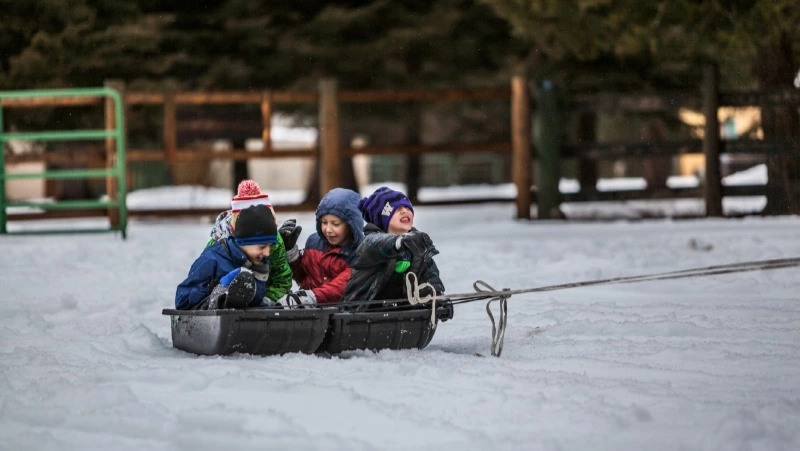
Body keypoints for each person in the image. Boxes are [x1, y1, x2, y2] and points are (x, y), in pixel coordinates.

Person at [341, 187, 451, 320]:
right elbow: (379, 243)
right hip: (359, 315)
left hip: (402, 313)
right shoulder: (370, 243)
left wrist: (438, 298)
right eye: (397, 209)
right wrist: (399, 242)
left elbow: (430, 274)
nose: (405, 210)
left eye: (407, 207)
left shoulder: (415, 244)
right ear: (382, 219)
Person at [176, 204, 279, 310]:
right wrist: (217, 289)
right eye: (262, 247)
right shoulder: (212, 259)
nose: (267, 253)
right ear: (243, 242)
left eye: (270, 247)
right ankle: (221, 299)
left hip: (243, 322)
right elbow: (183, 301)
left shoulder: (260, 263)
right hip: (209, 319)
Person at [207, 179, 292, 305]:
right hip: (226, 302)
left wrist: (268, 300)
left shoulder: (274, 242)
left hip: (264, 300)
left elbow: (282, 279)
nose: (267, 251)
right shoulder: (218, 243)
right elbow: (203, 281)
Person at [279, 188, 365, 305]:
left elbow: (340, 288)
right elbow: (303, 275)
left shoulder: (360, 253)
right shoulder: (314, 243)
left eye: (335, 224)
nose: (328, 229)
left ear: (351, 225)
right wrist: (290, 252)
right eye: (324, 222)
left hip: (340, 313)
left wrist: (309, 298)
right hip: (308, 312)